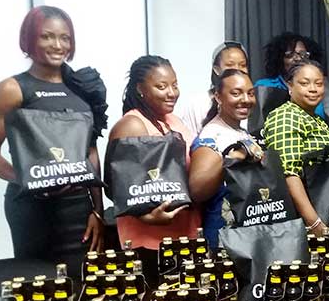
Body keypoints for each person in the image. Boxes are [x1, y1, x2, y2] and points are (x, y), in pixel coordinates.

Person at [0, 5, 108, 275]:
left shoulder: (82, 88)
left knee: (83, 282)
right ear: (29, 39)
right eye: (47, 36)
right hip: (31, 208)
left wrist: (97, 210)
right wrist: (27, 179)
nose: (57, 45)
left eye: (65, 38)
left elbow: (91, 152)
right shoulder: (11, 89)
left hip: (78, 207)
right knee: (39, 284)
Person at [107, 56, 201, 279]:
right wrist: (146, 217)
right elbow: (114, 187)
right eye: (161, 86)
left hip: (185, 233)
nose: (172, 93)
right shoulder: (132, 124)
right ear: (140, 89)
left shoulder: (174, 120)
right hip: (149, 241)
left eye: (175, 85)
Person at [262, 60, 329, 237]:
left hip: (328, 209)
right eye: (304, 83)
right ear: (290, 86)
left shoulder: (315, 118)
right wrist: (314, 223)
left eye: (318, 83)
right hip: (303, 219)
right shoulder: (285, 117)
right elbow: (288, 173)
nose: (313, 89)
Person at [188, 69, 258, 248]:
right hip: (224, 237)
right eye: (236, 93)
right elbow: (198, 191)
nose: (246, 99)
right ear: (218, 97)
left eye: (250, 93)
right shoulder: (211, 136)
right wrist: (233, 158)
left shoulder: (240, 131)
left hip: (247, 231)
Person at [178, 41, 249, 135]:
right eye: (230, 65)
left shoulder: (250, 102)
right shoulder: (197, 104)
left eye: (243, 65)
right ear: (216, 69)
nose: (237, 70)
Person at [254, 32, 326, 117]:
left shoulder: (318, 88)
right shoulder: (264, 87)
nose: (297, 58)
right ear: (279, 58)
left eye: (302, 54)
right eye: (290, 55)